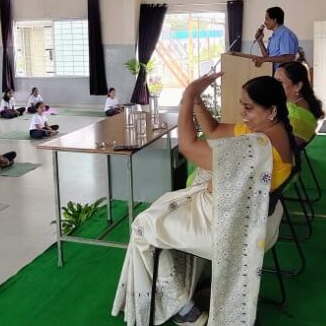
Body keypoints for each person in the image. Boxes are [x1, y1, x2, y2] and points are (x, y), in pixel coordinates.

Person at [112, 74, 296, 326]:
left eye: (248, 107)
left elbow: (187, 147)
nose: (242, 113)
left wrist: (187, 97)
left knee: (142, 226)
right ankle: (190, 283)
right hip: (260, 221)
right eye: (242, 105)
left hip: (233, 232)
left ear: (271, 110)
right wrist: (198, 101)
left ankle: (183, 307)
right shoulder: (274, 131)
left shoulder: (254, 148)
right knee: (165, 210)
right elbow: (215, 130)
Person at [275, 62, 325, 145]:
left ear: (297, 86)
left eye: (280, 83)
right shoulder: (295, 106)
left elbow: (283, 147)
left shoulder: (297, 117)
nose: (273, 86)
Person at [252, 6, 300, 70]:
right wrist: (260, 41)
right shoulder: (274, 36)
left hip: (284, 74)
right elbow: (267, 57)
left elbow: (288, 58)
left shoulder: (285, 34)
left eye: (267, 19)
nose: (264, 22)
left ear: (274, 20)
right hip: (273, 72)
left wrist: (264, 59)